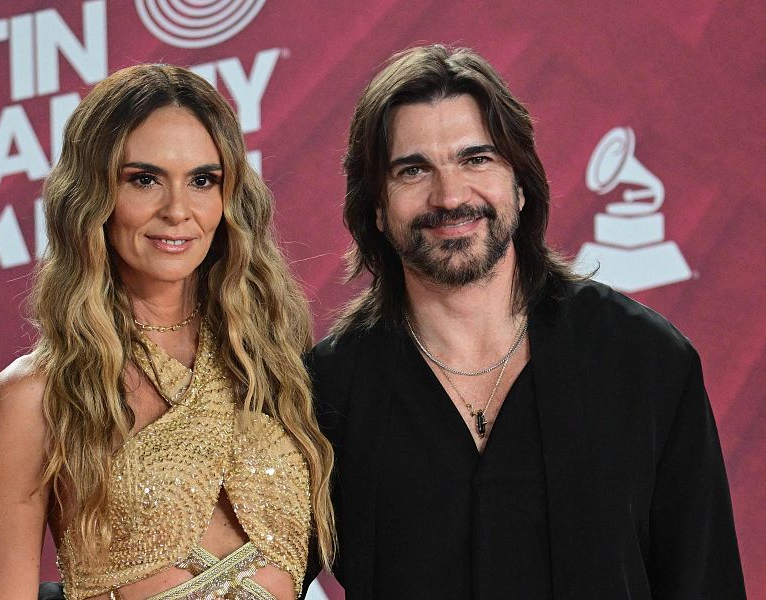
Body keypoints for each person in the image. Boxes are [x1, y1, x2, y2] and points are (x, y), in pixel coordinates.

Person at [305, 45, 745, 599]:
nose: (450, 195)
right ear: (374, 206)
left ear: (519, 183)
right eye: (413, 170)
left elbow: (705, 584)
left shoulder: (646, 360)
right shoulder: (325, 393)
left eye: (477, 159)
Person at [0, 64, 334, 600]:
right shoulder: (34, 398)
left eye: (203, 181)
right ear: (92, 195)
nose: (178, 211)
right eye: (144, 180)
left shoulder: (273, 364)